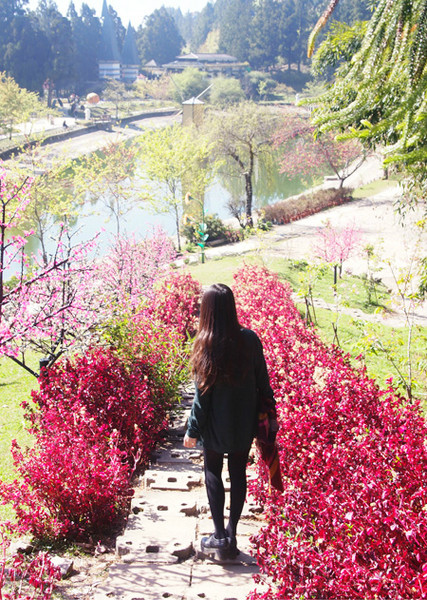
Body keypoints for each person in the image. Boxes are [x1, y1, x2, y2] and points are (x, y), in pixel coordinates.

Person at [183, 283, 274, 559]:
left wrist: (192, 431)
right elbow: (263, 383)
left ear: (206, 311)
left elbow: (202, 399)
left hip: (214, 425)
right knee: (237, 472)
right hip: (243, 423)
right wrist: (269, 416)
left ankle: (219, 536)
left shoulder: (204, 343)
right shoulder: (250, 339)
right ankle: (233, 534)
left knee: (213, 470)